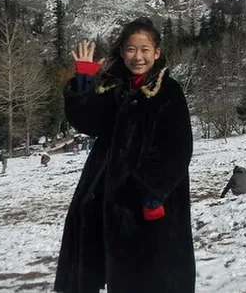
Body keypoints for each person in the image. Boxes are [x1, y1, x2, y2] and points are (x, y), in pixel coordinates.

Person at [54, 17, 195, 293]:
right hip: (109, 198)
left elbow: (178, 147)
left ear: (157, 53)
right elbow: (90, 123)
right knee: (118, 273)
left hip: (151, 203)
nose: (138, 57)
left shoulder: (168, 91)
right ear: (122, 52)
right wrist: (84, 80)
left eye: (145, 50)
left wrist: (151, 191)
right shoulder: (114, 88)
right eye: (131, 49)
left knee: (155, 275)